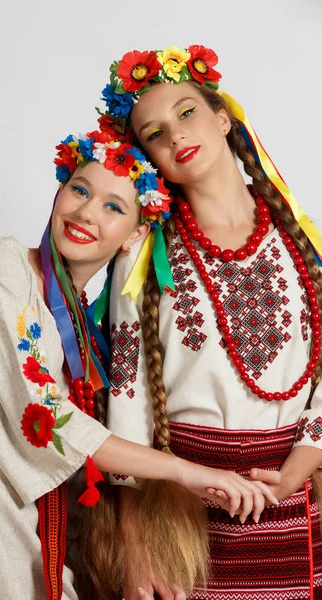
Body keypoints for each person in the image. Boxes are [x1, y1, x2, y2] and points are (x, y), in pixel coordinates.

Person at [0, 129, 276, 600]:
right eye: (80, 190)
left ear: (135, 234)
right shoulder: (0, 263)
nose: (87, 212)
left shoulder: (88, 333)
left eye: (114, 207)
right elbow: (45, 415)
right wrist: (185, 470)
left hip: (16, 510)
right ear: (59, 193)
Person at [98, 45, 322, 599]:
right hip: (179, 518)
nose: (174, 135)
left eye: (186, 112)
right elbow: (127, 405)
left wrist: (302, 463)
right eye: (153, 133)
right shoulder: (143, 256)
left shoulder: (304, 243)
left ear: (223, 118)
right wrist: (133, 550)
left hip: (292, 505)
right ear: (150, 158)